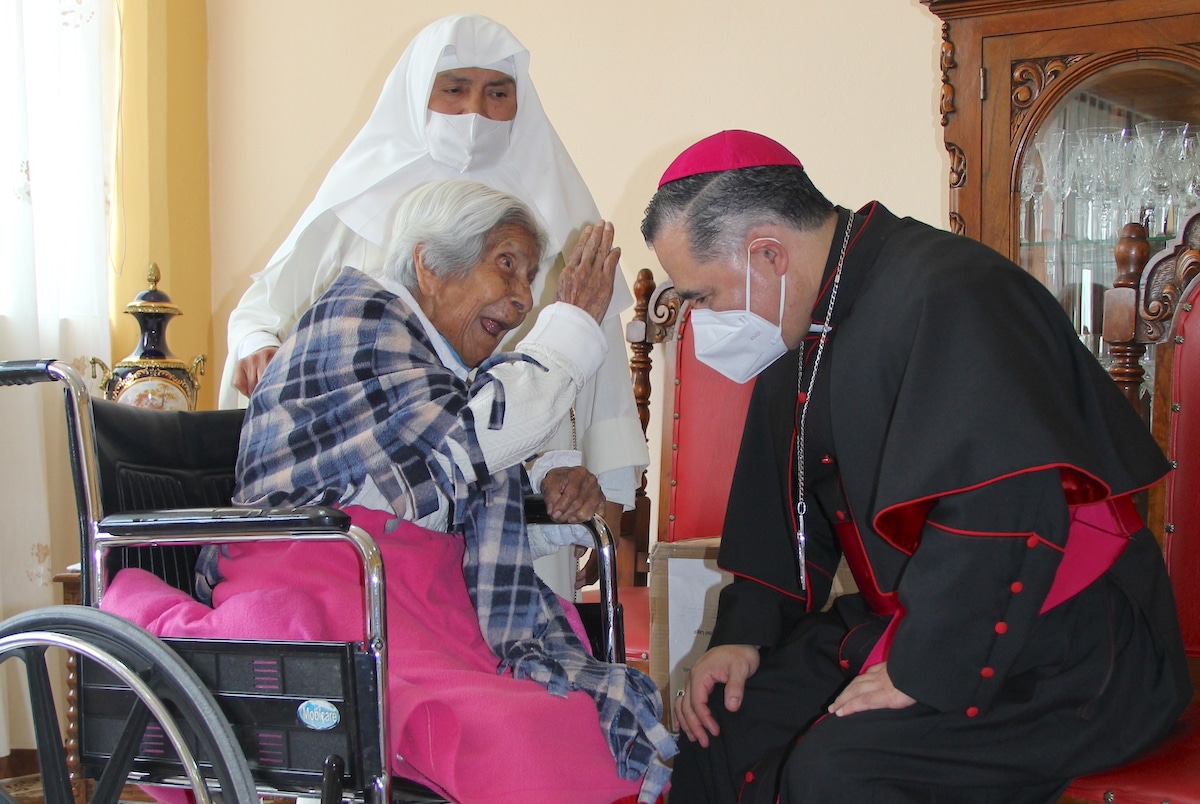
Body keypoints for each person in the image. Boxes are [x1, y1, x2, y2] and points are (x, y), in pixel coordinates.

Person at [639, 130, 1189, 803]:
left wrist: (923, 667)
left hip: (1064, 644)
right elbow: (785, 507)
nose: (698, 320)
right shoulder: (808, 316)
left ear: (768, 253)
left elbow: (1006, 505)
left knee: (840, 771)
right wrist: (742, 637)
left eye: (702, 295)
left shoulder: (955, 293)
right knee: (721, 727)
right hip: (929, 617)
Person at [102, 180, 676, 804]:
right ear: (430, 263)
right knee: (518, 736)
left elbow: (446, 468)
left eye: (531, 276)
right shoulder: (360, 320)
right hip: (333, 578)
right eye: (505, 264)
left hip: (414, 590)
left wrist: (550, 486)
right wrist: (570, 327)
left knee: (581, 715)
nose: (522, 298)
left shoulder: (434, 364)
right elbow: (466, 440)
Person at [219, 13, 648, 597]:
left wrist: (604, 496)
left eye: (497, 93)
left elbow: (604, 379)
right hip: (364, 530)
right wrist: (260, 347)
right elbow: (261, 307)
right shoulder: (358, 204)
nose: (475, 110)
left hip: (502, 490)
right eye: (454, 89)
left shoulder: (562, 209)